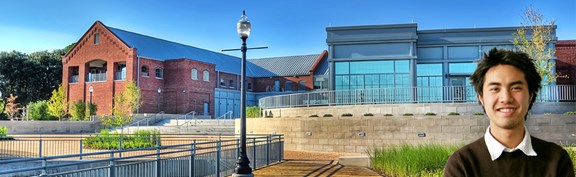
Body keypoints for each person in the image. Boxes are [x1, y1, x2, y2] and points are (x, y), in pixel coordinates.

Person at [444, 48, 575, 177]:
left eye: (516, 88)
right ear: (481, 98)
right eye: (495, 89)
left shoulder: (557, 160)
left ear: (530, 95)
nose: (506, 98)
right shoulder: (462, 164)